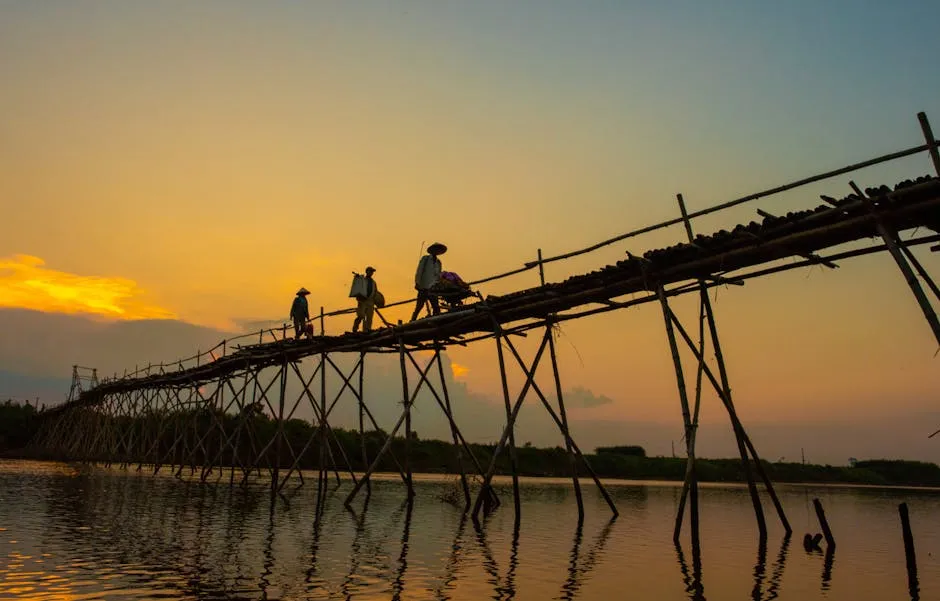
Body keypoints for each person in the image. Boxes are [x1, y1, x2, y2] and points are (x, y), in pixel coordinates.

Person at [410, 242, 445, 321]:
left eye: (438, 250)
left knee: (436, 306)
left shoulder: (438, 263)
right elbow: (419, 271)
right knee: (419, 306)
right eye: (435, 249)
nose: (437, 251)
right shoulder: (425, 259)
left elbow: (438, 276)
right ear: (432, 250)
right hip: (423, 286)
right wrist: (417, 283)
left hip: (433, 288)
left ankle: (436, 320)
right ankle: (412, 320)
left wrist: (438, 285)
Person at [352, 266, 378, 333]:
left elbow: (375, 292)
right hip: (362, 300)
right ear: (366, 271)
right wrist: (357, 277)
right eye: (370, 271)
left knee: (369, 317)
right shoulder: (362, 280)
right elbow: (357, 287)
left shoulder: (373, 282)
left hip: (370, 301)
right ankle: (355, 327)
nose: (371, 273)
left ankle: (367, 330)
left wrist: (376, 301)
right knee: (361, 315)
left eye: (372, 272)